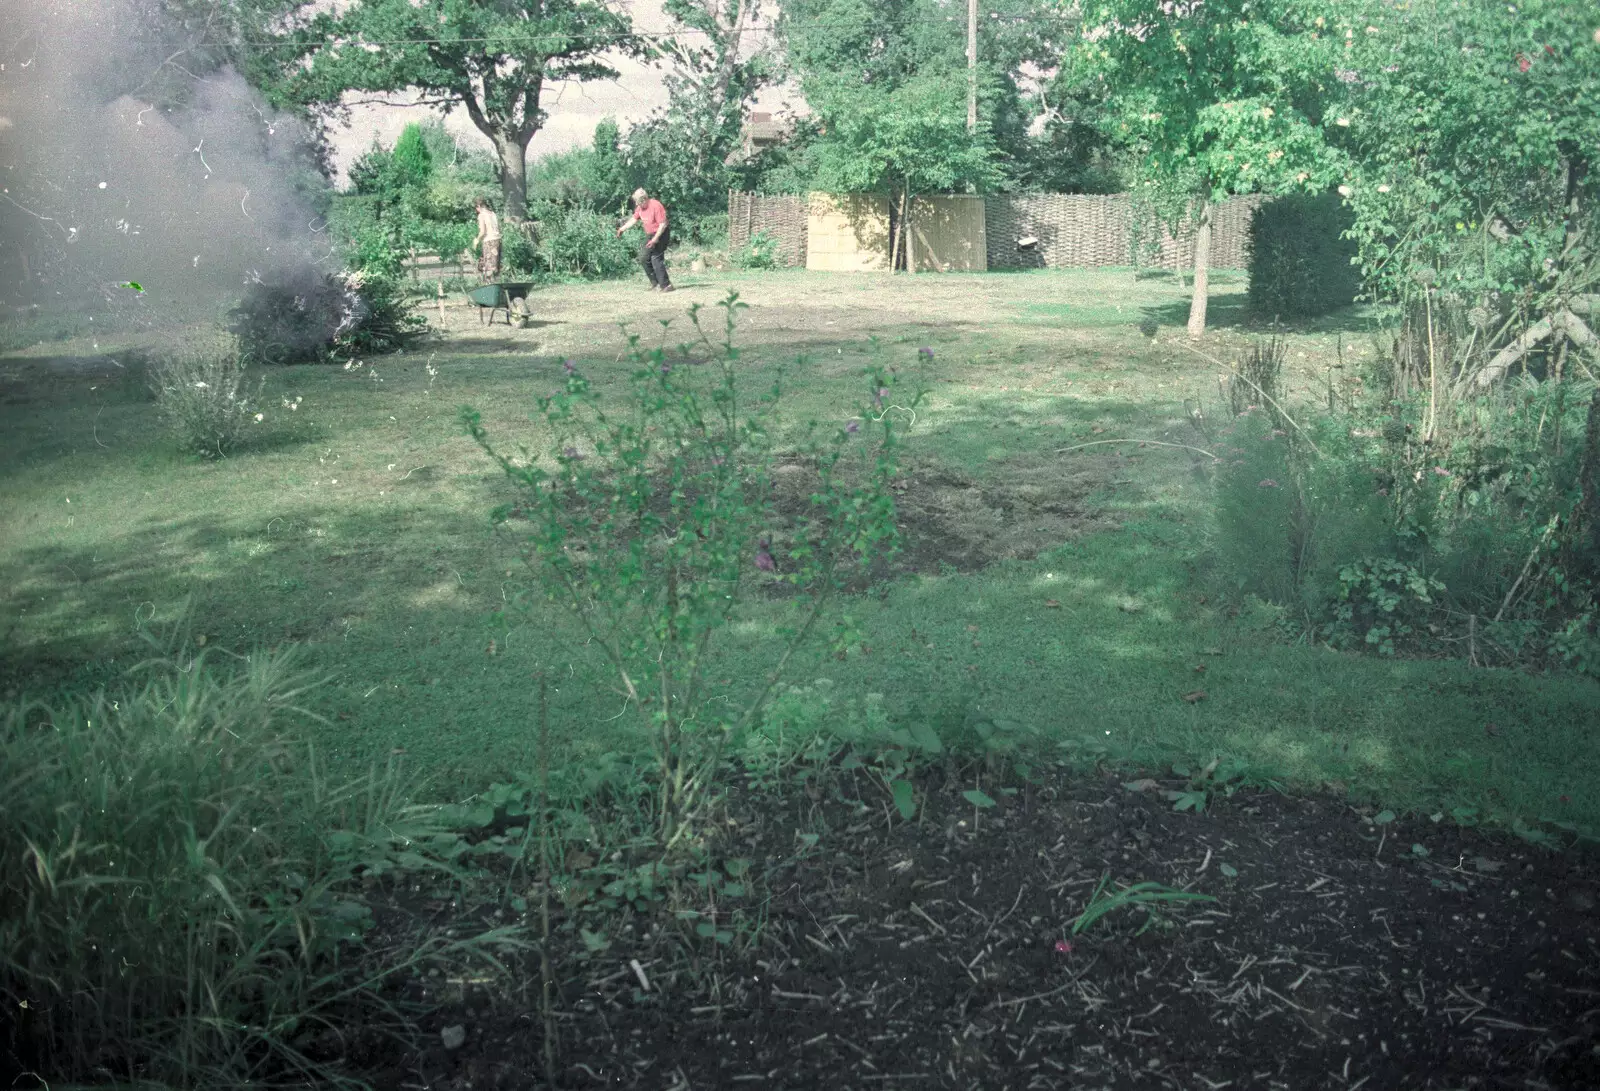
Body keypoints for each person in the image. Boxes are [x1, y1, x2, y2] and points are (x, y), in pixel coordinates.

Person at [616, 188, 673, 292]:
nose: (637, 205)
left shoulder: (656, 205)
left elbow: (663, 224)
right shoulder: (640, 208)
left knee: (656, 258)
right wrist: (622, 229)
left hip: (661, 233)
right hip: (650, 234)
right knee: (643, 257)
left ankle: (666, 285)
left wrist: (655, 239)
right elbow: (634, 219)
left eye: (638, 202)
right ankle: (655, 284)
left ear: (644, 199)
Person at [472, 197, 501, 282]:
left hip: (489, 241)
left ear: (479, 206)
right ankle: (496, 283)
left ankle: (489, 285)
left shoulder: (482, 215)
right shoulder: (493, 214)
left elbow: (483, 231)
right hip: (497, 240)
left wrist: (476, 240)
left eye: (476, 208)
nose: (476, 210)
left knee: (488, 265)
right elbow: (498, 228)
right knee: (495, 265)